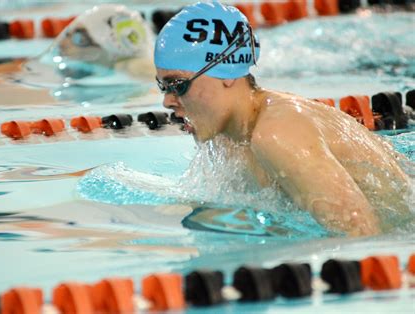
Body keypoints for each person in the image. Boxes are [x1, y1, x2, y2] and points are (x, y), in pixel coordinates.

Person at [154, 1, 411, 236]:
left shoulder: (277, 134)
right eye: (162, 86)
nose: (167, 101)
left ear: (227, 74)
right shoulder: (227, 136)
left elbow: (362, 235)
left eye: (177, 85)